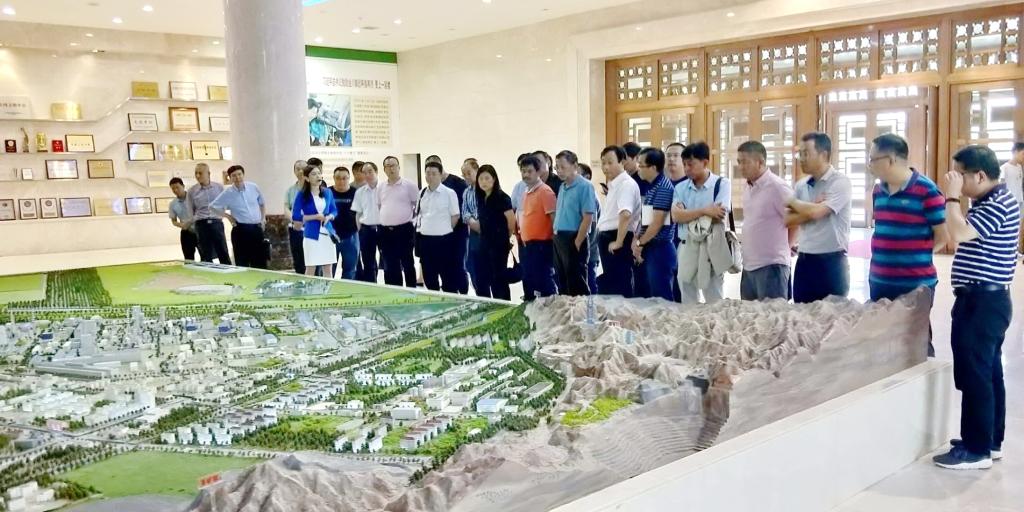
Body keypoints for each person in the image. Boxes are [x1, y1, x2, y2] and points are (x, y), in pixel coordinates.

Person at [932, 145, 1020, 470]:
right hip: (984, 300)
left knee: (976, 375)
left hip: (983, 302)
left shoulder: (997, 202)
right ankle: (989, 440)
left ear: (980, 175)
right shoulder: (990, 201)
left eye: (960, 174)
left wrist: (952, 197)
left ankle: (976, 449)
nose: (954, 179)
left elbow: (957, 233)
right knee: (988, 372)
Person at [867, 133, 948, 302]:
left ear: (890, 160)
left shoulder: (927, 190)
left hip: (915, 283)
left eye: (873, 160)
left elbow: (942, 236)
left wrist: (914, 257)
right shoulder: (878, 191)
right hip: (879, 280)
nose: (869, 165)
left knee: (913, 322)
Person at [786, 132, 852, 303]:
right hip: (804, 261)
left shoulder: (840, 182)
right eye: (799, 154)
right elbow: (787, 220)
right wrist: (812, 207)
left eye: (805, 153)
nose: (801, 159)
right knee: (801, 314)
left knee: (833, 315)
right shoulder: (801, 185)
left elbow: (815, 213)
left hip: (832, 262)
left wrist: (791, 202)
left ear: (823, 154)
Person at [671, 141, 730, 304]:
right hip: (686, 246)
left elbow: (718, 215)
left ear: (705, 162)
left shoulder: (721, 184)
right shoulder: (680, 187)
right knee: (687, 297)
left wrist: (687, 213)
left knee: (714, 298)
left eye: (690, 164)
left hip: (711, 246)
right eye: (684, 164)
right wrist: (705, 211)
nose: (686, 169)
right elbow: (676, 216)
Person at [738, 141, 794, 301]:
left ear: (760, 162)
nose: (741, 167)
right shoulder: (748, 187)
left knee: (773, 314)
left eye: (745, 162)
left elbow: (796, 221)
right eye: (739, 162)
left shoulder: (778, 187)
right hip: (749, 266)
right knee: (750, 315)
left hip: (772, 266)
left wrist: (786, 249)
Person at [632, 147, 677, 301]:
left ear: (653, 167)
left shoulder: (664, 188)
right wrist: (637, 239)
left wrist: (640, 243)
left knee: (661, 298)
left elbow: (657, 223)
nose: (638, 169)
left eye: (641, 165)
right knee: (647, 295)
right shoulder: (652, 186)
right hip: (650, 246)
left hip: (660, 248)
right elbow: (646, 219)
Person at [597, 145, 641, 297]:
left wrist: (618, 242)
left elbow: (625, 214)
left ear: (622, 162)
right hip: (609, 236)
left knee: (619, 285)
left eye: (610, 162)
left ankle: (621, 314)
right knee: (610, 283)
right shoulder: (614, 184)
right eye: (603, 162)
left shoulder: (626, 184)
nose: (605, 167)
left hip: (617, 237)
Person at [551, 150, 596, 296]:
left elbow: (588, 217)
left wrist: (578, 241)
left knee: (577, 282)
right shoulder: (562, 186)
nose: (559, 171)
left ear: (575, 166)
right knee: (562, 280)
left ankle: (581, 310)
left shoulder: (585, 186)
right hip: (559, 238)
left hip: (574, 237)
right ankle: (567, 309)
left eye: (563, 167)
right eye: (557, 167)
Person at [416, 162, 462, 293]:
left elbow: (455, 216)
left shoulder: (449, 193)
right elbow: (420, 215)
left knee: (448, 277)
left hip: (444, 241)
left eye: (434, 174)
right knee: (429, 277)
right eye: (428, 173)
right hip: (425, 241)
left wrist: (443, 229)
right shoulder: (422, 193)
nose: (430, 176)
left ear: (441, 175)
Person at [210, 165, 268, 269]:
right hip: (240, 229)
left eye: (239, 174)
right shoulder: (228, 192)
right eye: (234, 175)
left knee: (260, 261)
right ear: (230, 177)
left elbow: (262, 203)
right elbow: (212, 207)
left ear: (243, 174)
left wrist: (263, 218)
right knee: (242, 262)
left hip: (256, 228)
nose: (237, 177)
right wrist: (228, 216)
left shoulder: (253, 187)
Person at [518, 155, 558, 299]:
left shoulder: (545, 191)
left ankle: (552, 307)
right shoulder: (526, 192)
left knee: (544, 280)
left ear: (538, 172)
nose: (526, 175)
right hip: (529, 244)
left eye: (529, 171)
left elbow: (554, 219)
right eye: (523, 171)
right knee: (531, 279)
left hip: (543, 245)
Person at [475, 165, 516, 300]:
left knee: (498, 278)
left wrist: (505, 237)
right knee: (485, 276)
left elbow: (511, 221)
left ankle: (504, 305)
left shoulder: (502, 197)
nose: (484, 182)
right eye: (481, 179)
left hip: (499, 244)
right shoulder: (480, 197)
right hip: (484, 243)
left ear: (494, 179)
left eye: (487, 178)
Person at [377, 156, 419, 288]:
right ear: (384, 169)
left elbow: (417, 206)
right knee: (390, 264)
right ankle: (394, 290)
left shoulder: (409, 185)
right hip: (385, 231)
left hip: (404, 230)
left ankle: (412, 290)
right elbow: (379, 206)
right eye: (388, 166)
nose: (391, 169)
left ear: (399, 167)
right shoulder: (381, 187)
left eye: (393, 165)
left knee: (407, 262)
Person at [292, 165, 338, 277]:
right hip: (311, 236)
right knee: (311, 267)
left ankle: (328, 287)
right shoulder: (302, 195)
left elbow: (334, 210)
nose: (318, 176)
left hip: (327, 233)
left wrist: (329, 217)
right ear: (307, 178)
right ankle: (308, 288)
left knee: (328, 268)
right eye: (313, 174)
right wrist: (315, 217)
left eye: (319, 173)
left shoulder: (327, 192)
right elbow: (296, 216)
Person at [186, 163, 231, 265]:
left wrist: (221, 215)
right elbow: (190, 210)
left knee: (223, 251)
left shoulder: (219, 187)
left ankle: (227, 271)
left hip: (216, 223)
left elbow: (224, 204)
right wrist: (194, 223)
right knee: (205, 254)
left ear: (208, 174)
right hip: (201, 224)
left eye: (200, 173)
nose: (198, 176)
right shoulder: (192, 191)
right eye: (196, 173)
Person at [437, 157, 470, 294]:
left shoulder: (457, 183)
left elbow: (463, 208)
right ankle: (449, 292)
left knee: (458, 264)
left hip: (458, 232)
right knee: (444, 265)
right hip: (440, 234)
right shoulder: (430, 189)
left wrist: (451, 225)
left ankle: (463, 294)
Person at [623, 141, 650, 297]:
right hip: (629, 232)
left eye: (625, 159)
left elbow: (646, 213)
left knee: (642, 277)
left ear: (635, 158)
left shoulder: (643, 180)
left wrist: (639, 238)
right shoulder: (626, 179)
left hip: (640, 234)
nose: (622, 162)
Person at [353, 162, 382, 283]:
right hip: (366, 229)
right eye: (364, 173)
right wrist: (359, 229)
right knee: (368, 262)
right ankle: (372, 286)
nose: (367, 175)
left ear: (376, 172)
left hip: (384, 228)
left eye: (370, 171)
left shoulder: (385, 188)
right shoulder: (360, 192)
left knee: (389, 261)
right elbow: (358, 213)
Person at [330, 167, 360, 280]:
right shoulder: (327, 193)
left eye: (344, 178)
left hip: (351, 236)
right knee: (329, 269)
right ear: (333, 178)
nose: (341, 181)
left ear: (349, 178)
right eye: (338, 178)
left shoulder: (356, 193)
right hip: (331, 236)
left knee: (350, 270)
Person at [461, 158, 483, 293]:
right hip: (474, 232)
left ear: (477, 170)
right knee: (472, 266)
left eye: (469, 173)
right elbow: (464, 214)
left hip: (489, 232)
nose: (466, 177)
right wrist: (474, 223)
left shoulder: (486, 188)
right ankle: (480, 295)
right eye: (464, 174)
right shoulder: (466, 192)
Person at [579, 163, 601, 294]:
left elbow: (590, 227)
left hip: (589, 253)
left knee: (590, 288)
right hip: (582, 252)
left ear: (587, 177)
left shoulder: (590, 195)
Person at [999, 142, 1024, 254]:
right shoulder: (1004, 168)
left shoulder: (1019, 167)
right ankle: (1006, 249)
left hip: (1020, 201)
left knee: (1017, 227)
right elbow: (1001, 185)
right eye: (1023, 154)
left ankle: (1015, 250)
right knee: (1008, 226)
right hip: (1008, 202)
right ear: (1015, 152)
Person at [285, 160, 307, 274]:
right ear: (294, 172)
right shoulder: (290, 190)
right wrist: (295, 221)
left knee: (312, 260)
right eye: (298, 169)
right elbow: (286, 208)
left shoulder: (315, 188)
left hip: (311, 227)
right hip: (296, 228)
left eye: (303, 168)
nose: (301, 171)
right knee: (298, 259)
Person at [168, 177, 198, 261]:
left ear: (183, 186)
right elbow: (173, 221)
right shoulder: (173, 204)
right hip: (186, 232)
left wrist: (191, 222)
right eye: (173, 188)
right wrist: (181, 225)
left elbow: (201, 212)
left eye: (177, 187)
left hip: (200, 230)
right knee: (188, 258)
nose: (175, 190)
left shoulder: (194, 198)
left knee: (206, 257)